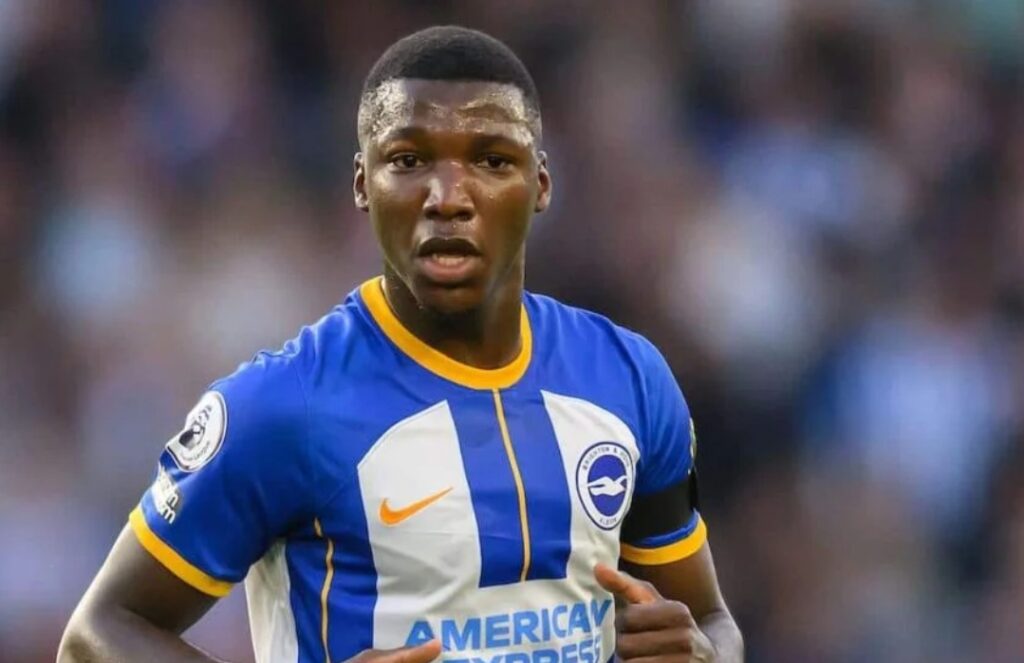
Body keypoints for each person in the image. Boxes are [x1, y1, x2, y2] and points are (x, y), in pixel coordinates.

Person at [59, 25, 743, 663]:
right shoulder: (284, 407)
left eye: (492, 159)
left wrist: (707, 652)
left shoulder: (628, 377)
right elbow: (97, 634)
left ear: (539, 184)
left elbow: (711, 620)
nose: (448, 196)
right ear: (364, 184)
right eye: (409, 160)